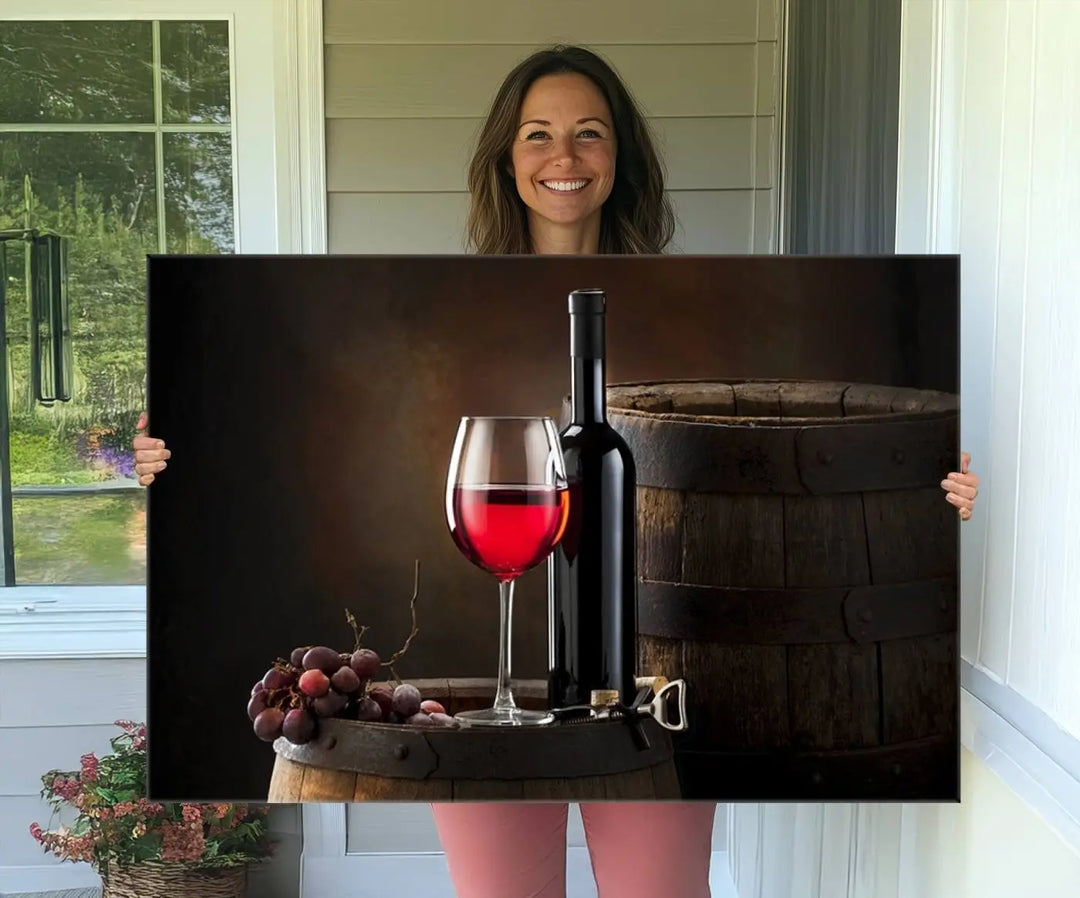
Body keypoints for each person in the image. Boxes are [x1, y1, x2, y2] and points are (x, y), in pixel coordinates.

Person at [132, 45, 979, 898]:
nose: (563, 158)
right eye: (537, 135)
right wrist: (161, 468)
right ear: (507, 158)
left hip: (652, 690)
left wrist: (939, 491)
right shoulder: (440, 292)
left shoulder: (712, 294)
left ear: (621, 158)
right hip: (490, 704)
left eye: (589, 134)